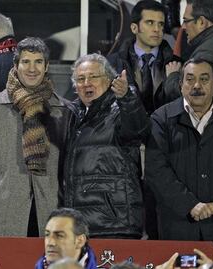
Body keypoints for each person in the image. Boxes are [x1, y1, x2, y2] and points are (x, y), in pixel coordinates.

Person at [0, 37, 71, 236]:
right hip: (4, 208)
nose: (32, 68)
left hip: (49, 210)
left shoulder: (63, 109)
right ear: (16, 65)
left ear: (47, 66)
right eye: (26, 62)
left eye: (38, 62)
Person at [146, 58, 213, 259]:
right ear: (180, 85)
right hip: (177, 226)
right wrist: (190, 205)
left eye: (204, 79)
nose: (196, 86)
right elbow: (156, 171)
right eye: (190, 79)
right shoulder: (161, 119)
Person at [64, 53, 150, 239]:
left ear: (110, 80)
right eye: (80, 78)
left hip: (115, 224)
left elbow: (138, 130)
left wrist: (127, 98)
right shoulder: (71, 116)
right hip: (81, 227)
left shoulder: (120, 111)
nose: (86, 82)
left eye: (93, 77)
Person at [164, 0, 213, 110]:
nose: (183, 27)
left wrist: (172, 76)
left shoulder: (206, 53)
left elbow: (193, 95)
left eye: (186, 21)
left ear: (201, 22)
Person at [108, 0, 178, 114]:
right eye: (150, 22)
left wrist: (173, 80)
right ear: (134, 28)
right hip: (126, 130)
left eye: (161, 24)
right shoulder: (112, 64)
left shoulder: (177, 65)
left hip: (165, 130)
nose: (157, 29)